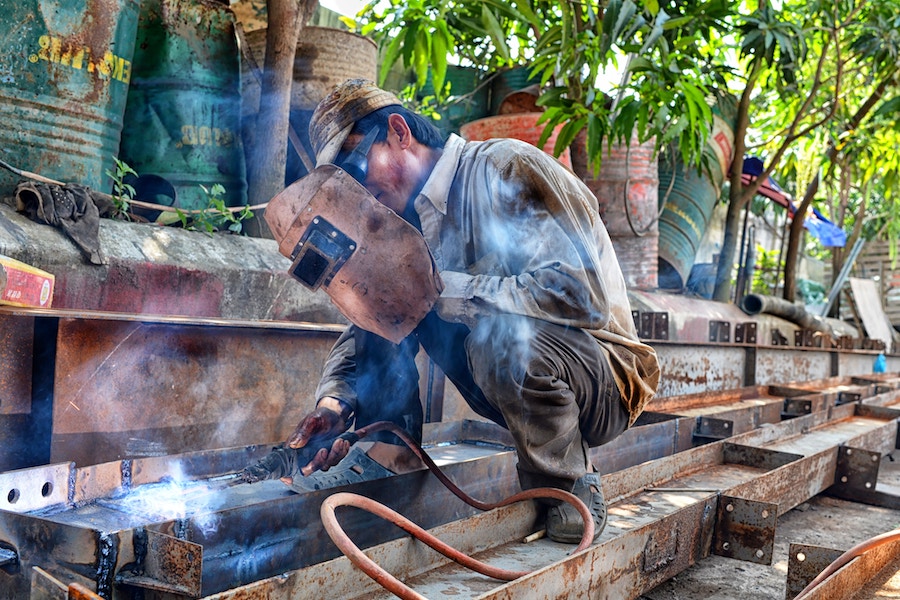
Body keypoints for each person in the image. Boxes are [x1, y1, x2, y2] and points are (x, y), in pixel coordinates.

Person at [279, 79, 660, 544]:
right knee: (384, 290)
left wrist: (443, 290)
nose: (359, 193)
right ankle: (390, 453)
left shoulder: (506, 167)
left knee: (495, 337)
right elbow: (371, 322)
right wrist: (335, 402)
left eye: (357, 171)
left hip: (601, 375)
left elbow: (583, 295)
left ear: (399, 131)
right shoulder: (403, 224)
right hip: (516, 379)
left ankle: (568, 485)